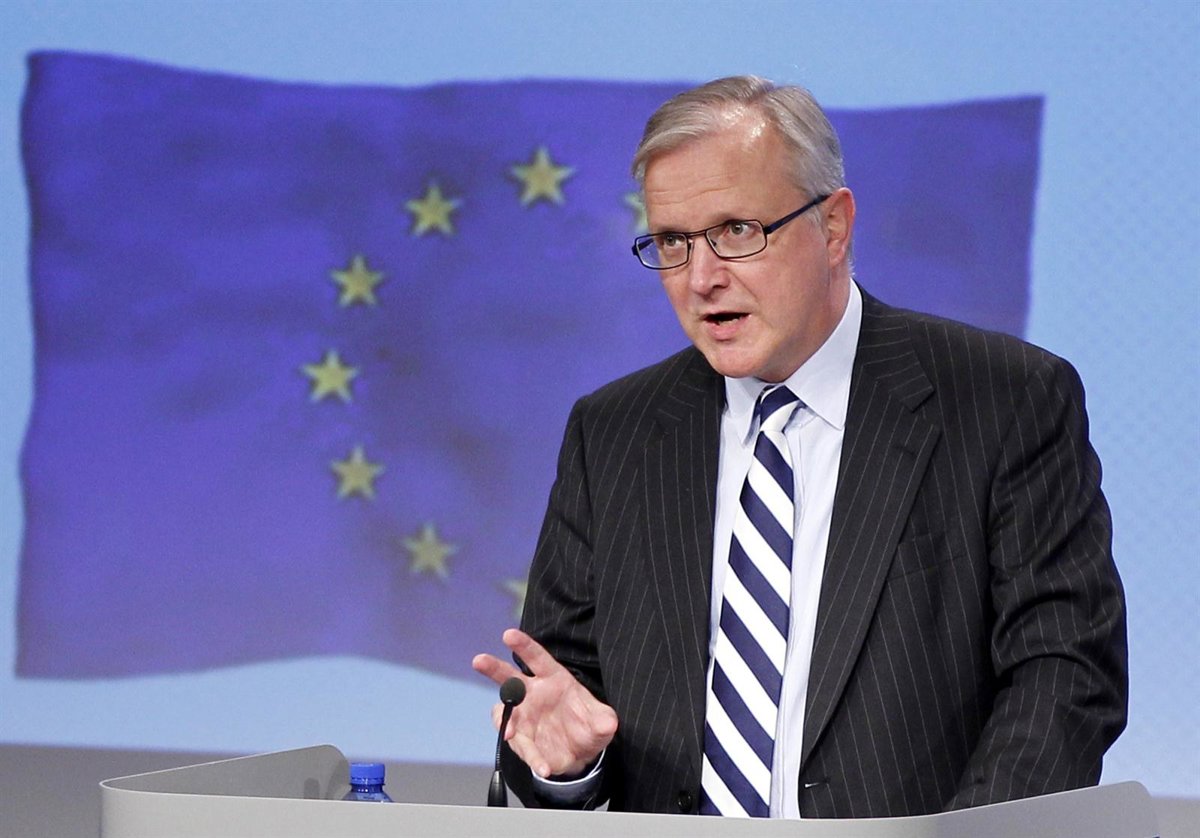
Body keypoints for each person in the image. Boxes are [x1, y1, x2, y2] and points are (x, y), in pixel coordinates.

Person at [472, 75, 1127, 819]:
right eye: (673, 242)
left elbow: (1064, 673)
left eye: (736, 231)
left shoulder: (1004, 399)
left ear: (834, 226)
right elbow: (560, 703)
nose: (702, 278)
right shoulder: (613, 433)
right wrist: (568, 763)